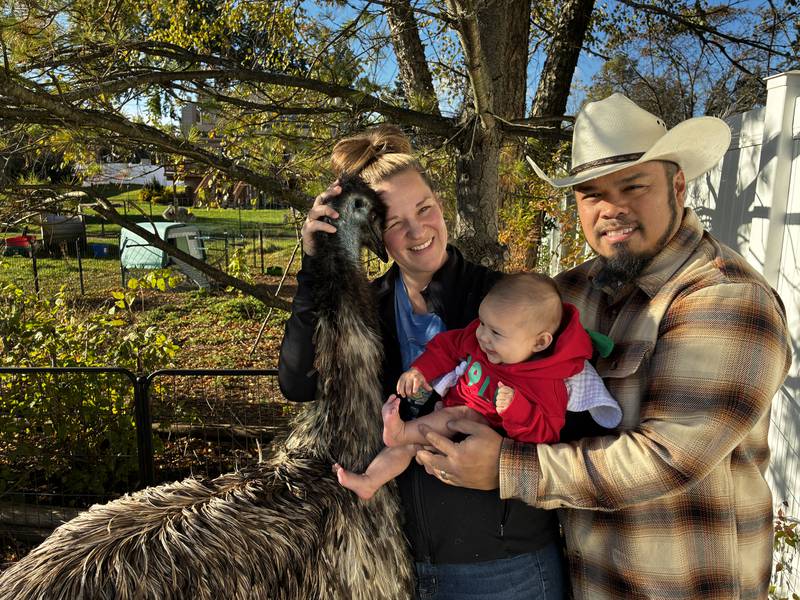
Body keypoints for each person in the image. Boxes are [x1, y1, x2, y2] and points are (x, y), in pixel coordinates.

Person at [413, 93, 792, 599]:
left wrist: (508, 467)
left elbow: (669, 458)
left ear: (677, 185)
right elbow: (494, 342)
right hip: (585, 579)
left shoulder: (726, 299)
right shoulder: (567, 295)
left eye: (633, 186)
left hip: (681, 586)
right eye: (591, 194)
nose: (612, 208)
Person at [279, 125, 569, 599]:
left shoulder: (506, 301)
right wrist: (314, 272)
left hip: (504, 564)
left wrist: (507, 463)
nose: (418, 232)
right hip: (398, 564)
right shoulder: (364, 310)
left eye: (425, 209)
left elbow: (562, 412)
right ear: (379, 237)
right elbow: (298, 382)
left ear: (441, 206)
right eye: (395, 223)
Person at [335, 272, 594, 500]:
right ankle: (370, 481)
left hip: (484, 440)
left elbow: (547, 433)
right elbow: (447, 347)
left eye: (496, 333)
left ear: (539, 343)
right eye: (482, 322)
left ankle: (401, 431)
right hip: (448, 419)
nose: (482, 335)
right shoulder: (480, 338)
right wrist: (421, 370)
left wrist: (518, 410)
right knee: (408, 447)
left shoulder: (546, 380)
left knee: (459, 415)